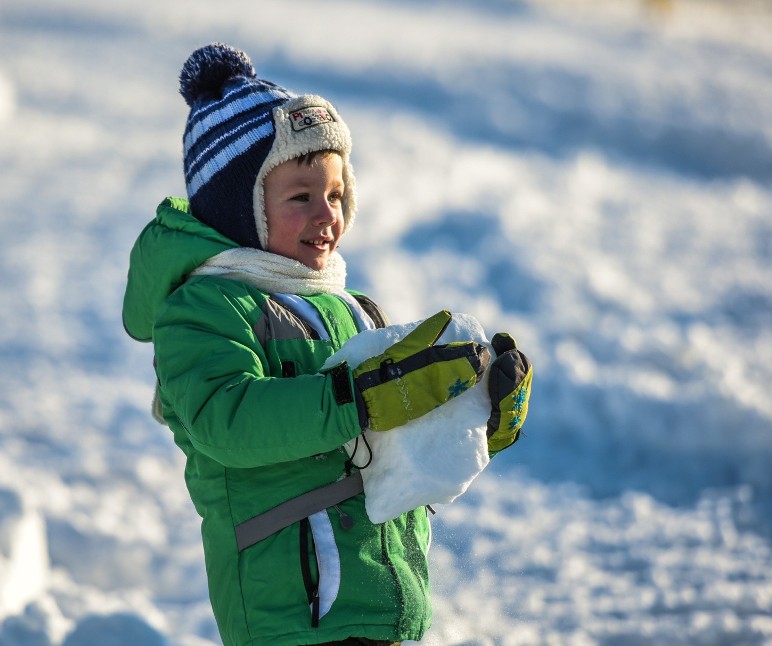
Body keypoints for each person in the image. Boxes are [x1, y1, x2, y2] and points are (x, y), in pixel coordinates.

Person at [122, 43, 531, 646]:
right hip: (294, 610)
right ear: (240, 209)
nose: (327, 215)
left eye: (336, 195)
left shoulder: (352, 308)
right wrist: (360, 397)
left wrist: (479, 418)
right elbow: (226, 419)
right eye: (300, 197)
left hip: (383, 601)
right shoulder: (202, 310)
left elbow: (401, 449)